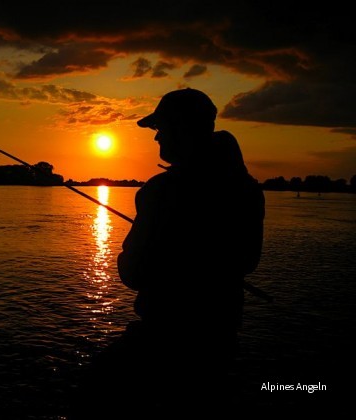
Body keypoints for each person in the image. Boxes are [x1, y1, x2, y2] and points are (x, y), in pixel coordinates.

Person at [69, 88, 265, 418]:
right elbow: (248, 261)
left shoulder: (160, 191)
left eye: (161, 128)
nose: (156, 138)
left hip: (164, 339)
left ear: (181, 128)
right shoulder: (247, 188)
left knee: (96, 390)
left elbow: (133, 274)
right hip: (219, 339)